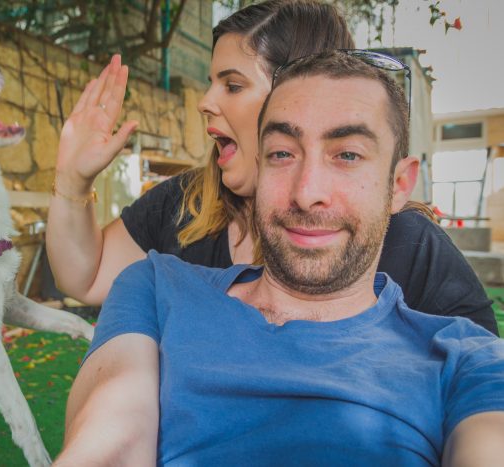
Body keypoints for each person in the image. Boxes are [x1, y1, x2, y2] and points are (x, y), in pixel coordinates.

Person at [54, 50, 504, 467]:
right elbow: (111, 438)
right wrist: (71, 185)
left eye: (347, 155)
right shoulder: (156, 287)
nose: (307, 192)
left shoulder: (465, 358)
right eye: (282, 154)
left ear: (400, 185)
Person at [46, 0, 497, 334]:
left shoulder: (406, 244)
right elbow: (86, 277)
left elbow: (479, 389)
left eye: (233, 84)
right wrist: (72, 182)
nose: (206, 103)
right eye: (212, 82)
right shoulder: (186, 201)